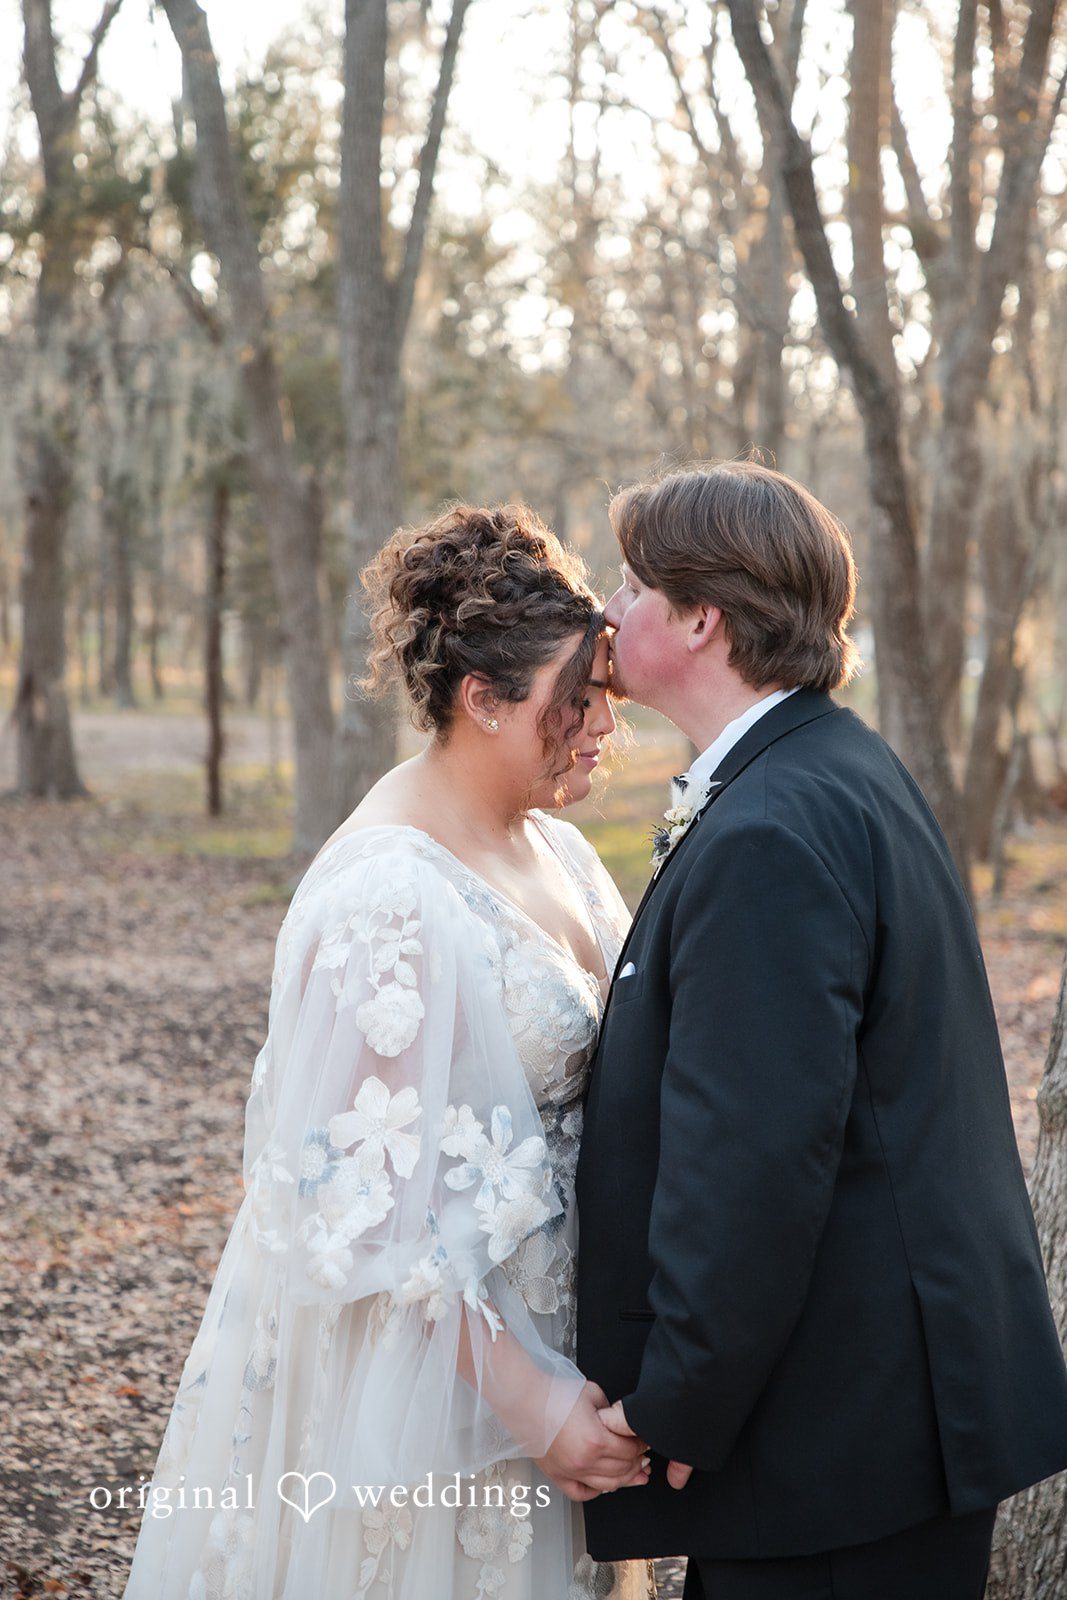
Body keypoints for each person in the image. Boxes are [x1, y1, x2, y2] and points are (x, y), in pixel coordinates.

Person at [122, 504, 657, 1600]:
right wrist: (537, 1407)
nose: (605, 724)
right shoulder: (387, 894)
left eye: (604, 692)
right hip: (442, 1397)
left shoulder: (555, 843)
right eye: (577, 698)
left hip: (563, 1340)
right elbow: (368, 1223)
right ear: (481, 700)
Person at [574, 461, 1067, 1600]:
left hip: (842, 1437)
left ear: (701, 618)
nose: (608, 609)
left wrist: (683, 1395)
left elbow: (752, 1154)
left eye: (633, 586)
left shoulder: (769, 831)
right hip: (883, 1408)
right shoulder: (829, 765)